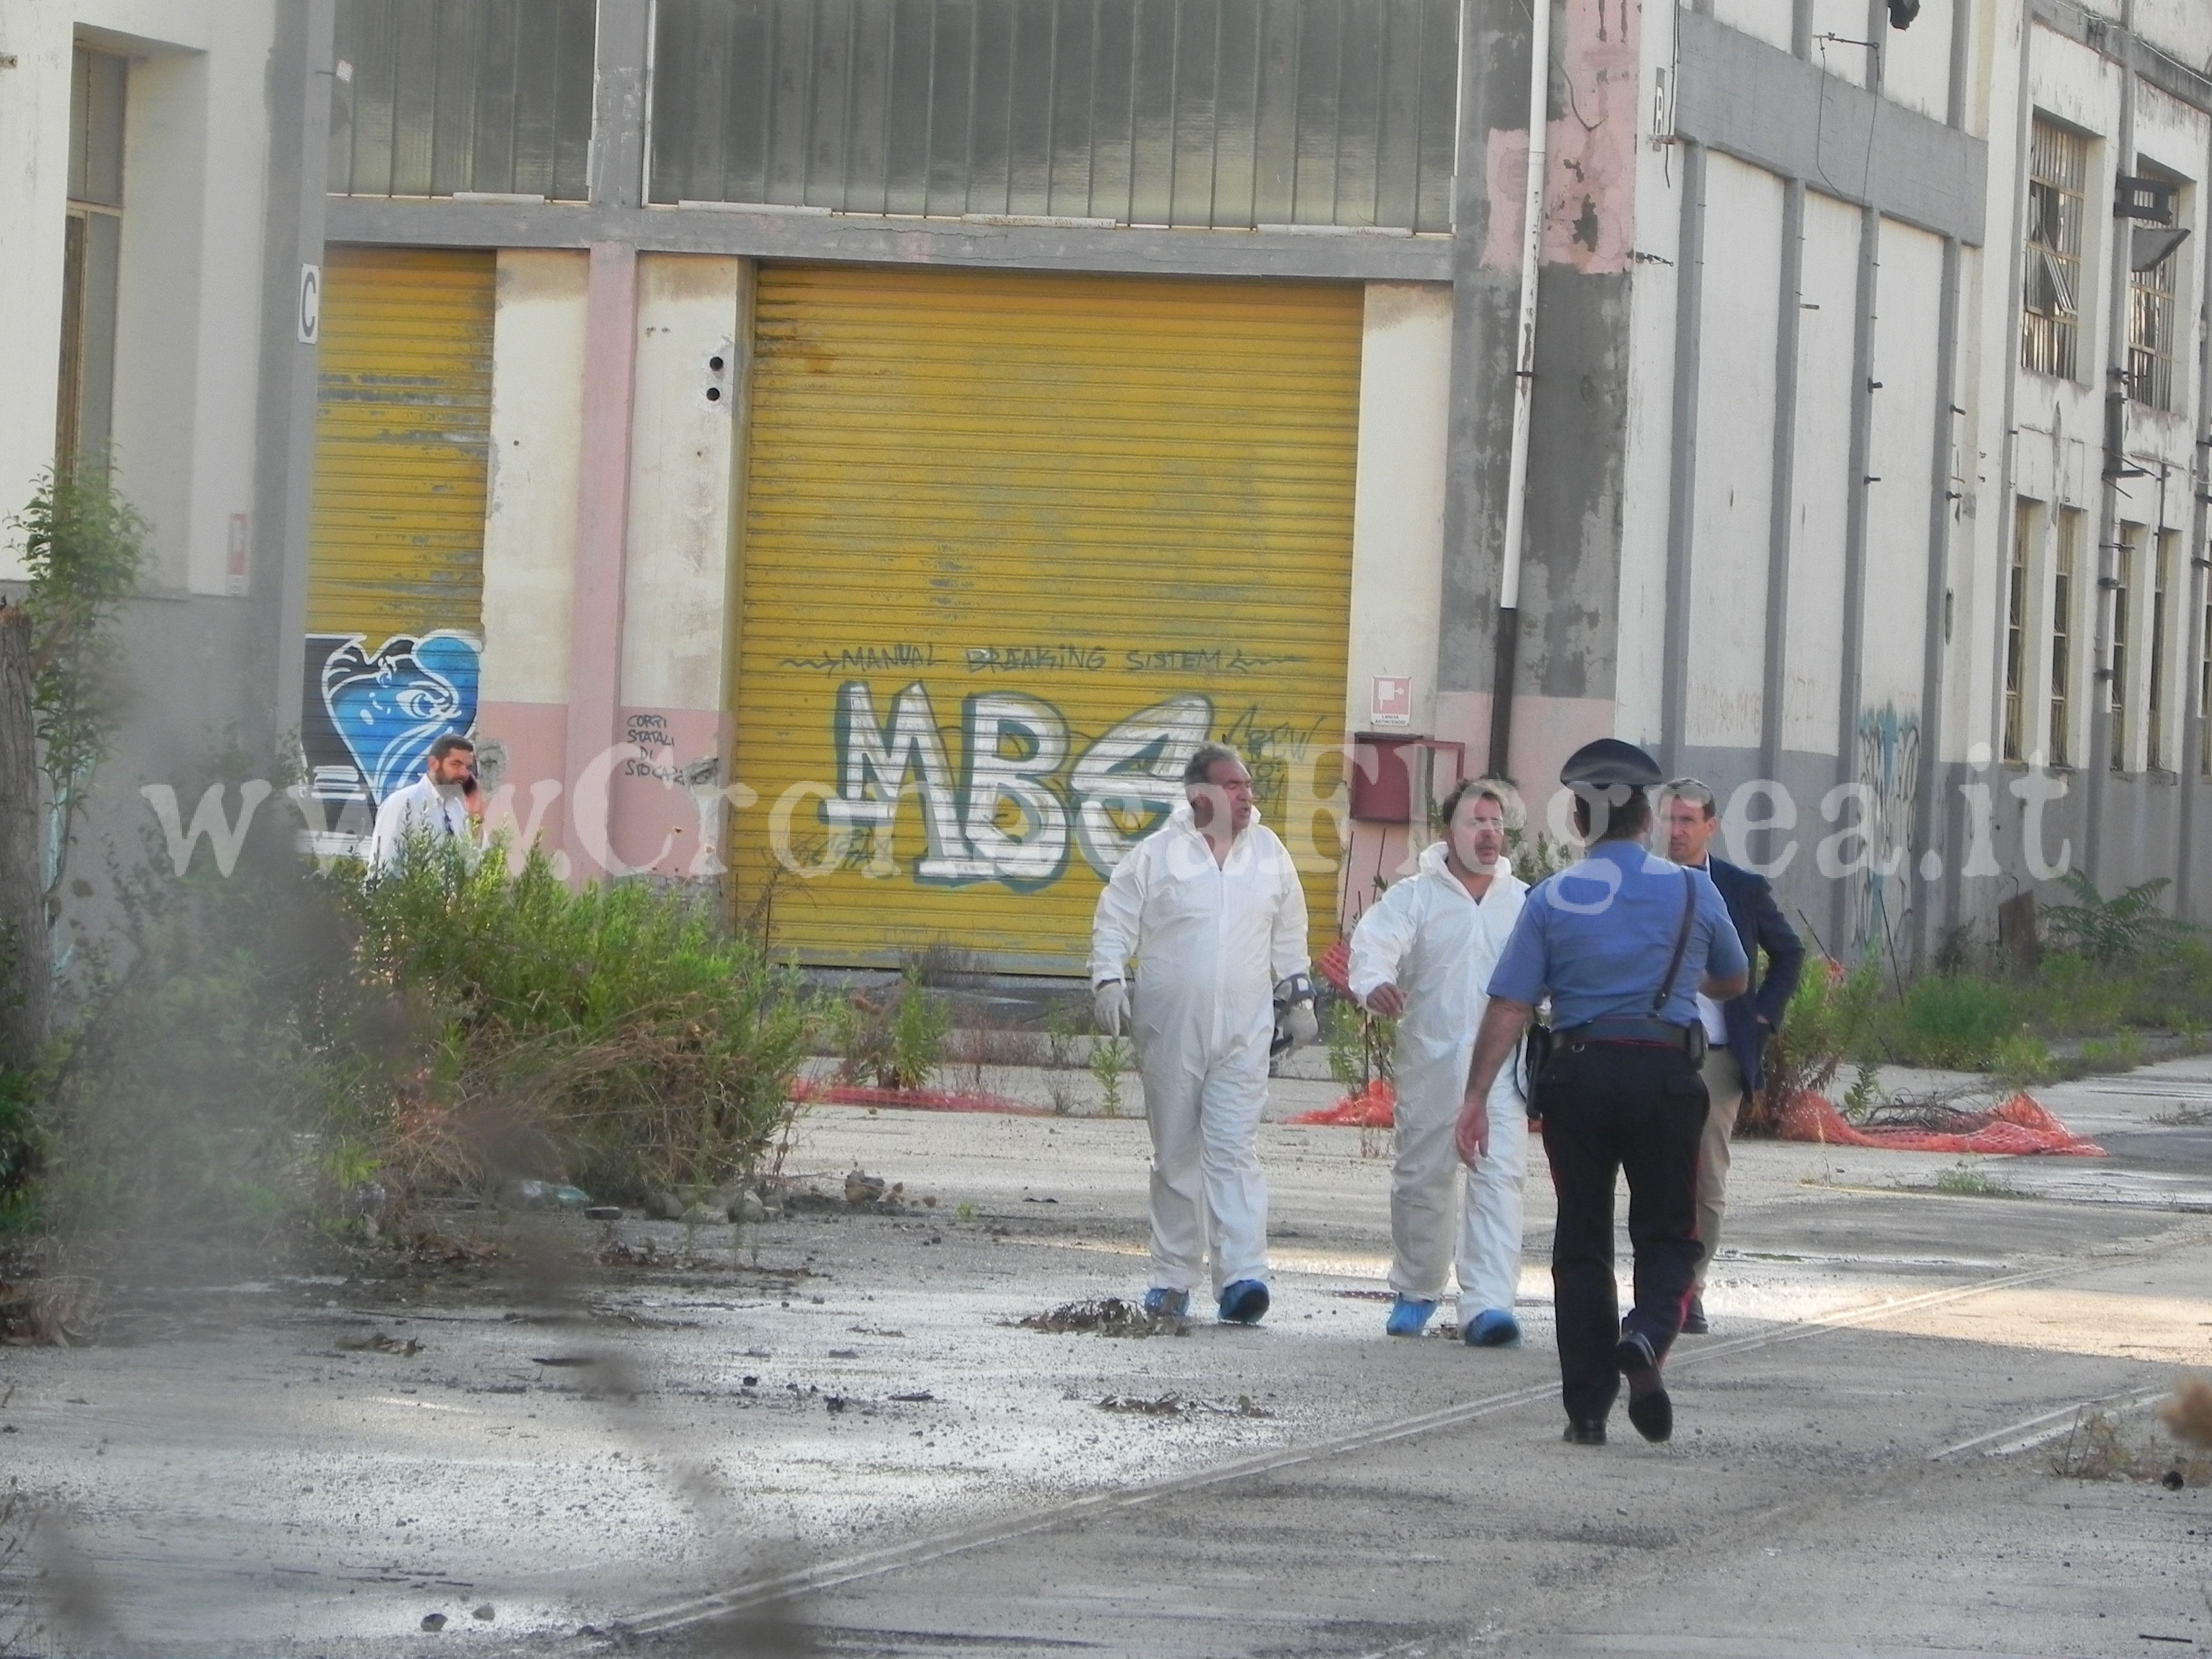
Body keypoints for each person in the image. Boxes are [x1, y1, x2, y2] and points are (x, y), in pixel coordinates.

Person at [1453, 739, 1748, 1446]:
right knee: (1668, 1232)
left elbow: (1510, 1005)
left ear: (1580, 822)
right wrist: (1682, 975)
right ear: (1645, 818)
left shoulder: (1553, 896)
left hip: (1579, 1078)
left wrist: (1474, 1098)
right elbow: (1733, 978)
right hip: (1664, 1077)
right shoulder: (1691, 890)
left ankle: (1587, 1410)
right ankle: (1647, 1335)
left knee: (1581, 1241)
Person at [1090, 742, 1315, 1325]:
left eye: (1248, 786)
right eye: (1234, 785)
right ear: (1199, 795)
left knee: (1235, 1151)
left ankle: (1243, 1276)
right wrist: (1108, 979)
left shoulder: (1270, 855)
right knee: (1176, 1154)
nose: (1247, 796)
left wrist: (1298, 992)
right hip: (1171, 1028)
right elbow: (1115, 916)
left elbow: (1289, 928)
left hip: (1245, 1030)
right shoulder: (1158, 856)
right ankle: (1172, 1277)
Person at [1346, 779, 1530, 1346]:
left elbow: (1549, 969)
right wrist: (1374, 984)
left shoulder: (1523, 902)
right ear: (1448, 831)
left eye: (1496, 823)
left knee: (1499, 1177)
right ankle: (1417, 1289)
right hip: (1431, 1061)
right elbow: (1375, 945)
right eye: (1477, 821)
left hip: (1502, 1068)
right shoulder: (1416, 897)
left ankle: (1488, 1304)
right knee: (1423, 1177)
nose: (1489, 833)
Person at [1660, 779, 1806, 1336]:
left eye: (1687, 822)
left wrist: (1764, 1013)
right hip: (1659, 1047)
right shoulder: (1647, 884)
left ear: (1710, 827)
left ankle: (1689, 1290)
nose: (1676, 832)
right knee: (1657, 1174)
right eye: (1669, 821)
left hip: (1719, 1054)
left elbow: (1788, 953)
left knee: (1706, 1175)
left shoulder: (1739, 889)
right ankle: (1658, 1282)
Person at [367, 734, 484, 873]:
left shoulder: (458, 809)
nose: (464, 774)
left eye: (468, 768)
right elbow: (383, 869)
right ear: (433, 764)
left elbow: (471, 867)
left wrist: (476, 814)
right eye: (456, 764)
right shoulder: (402, 803)